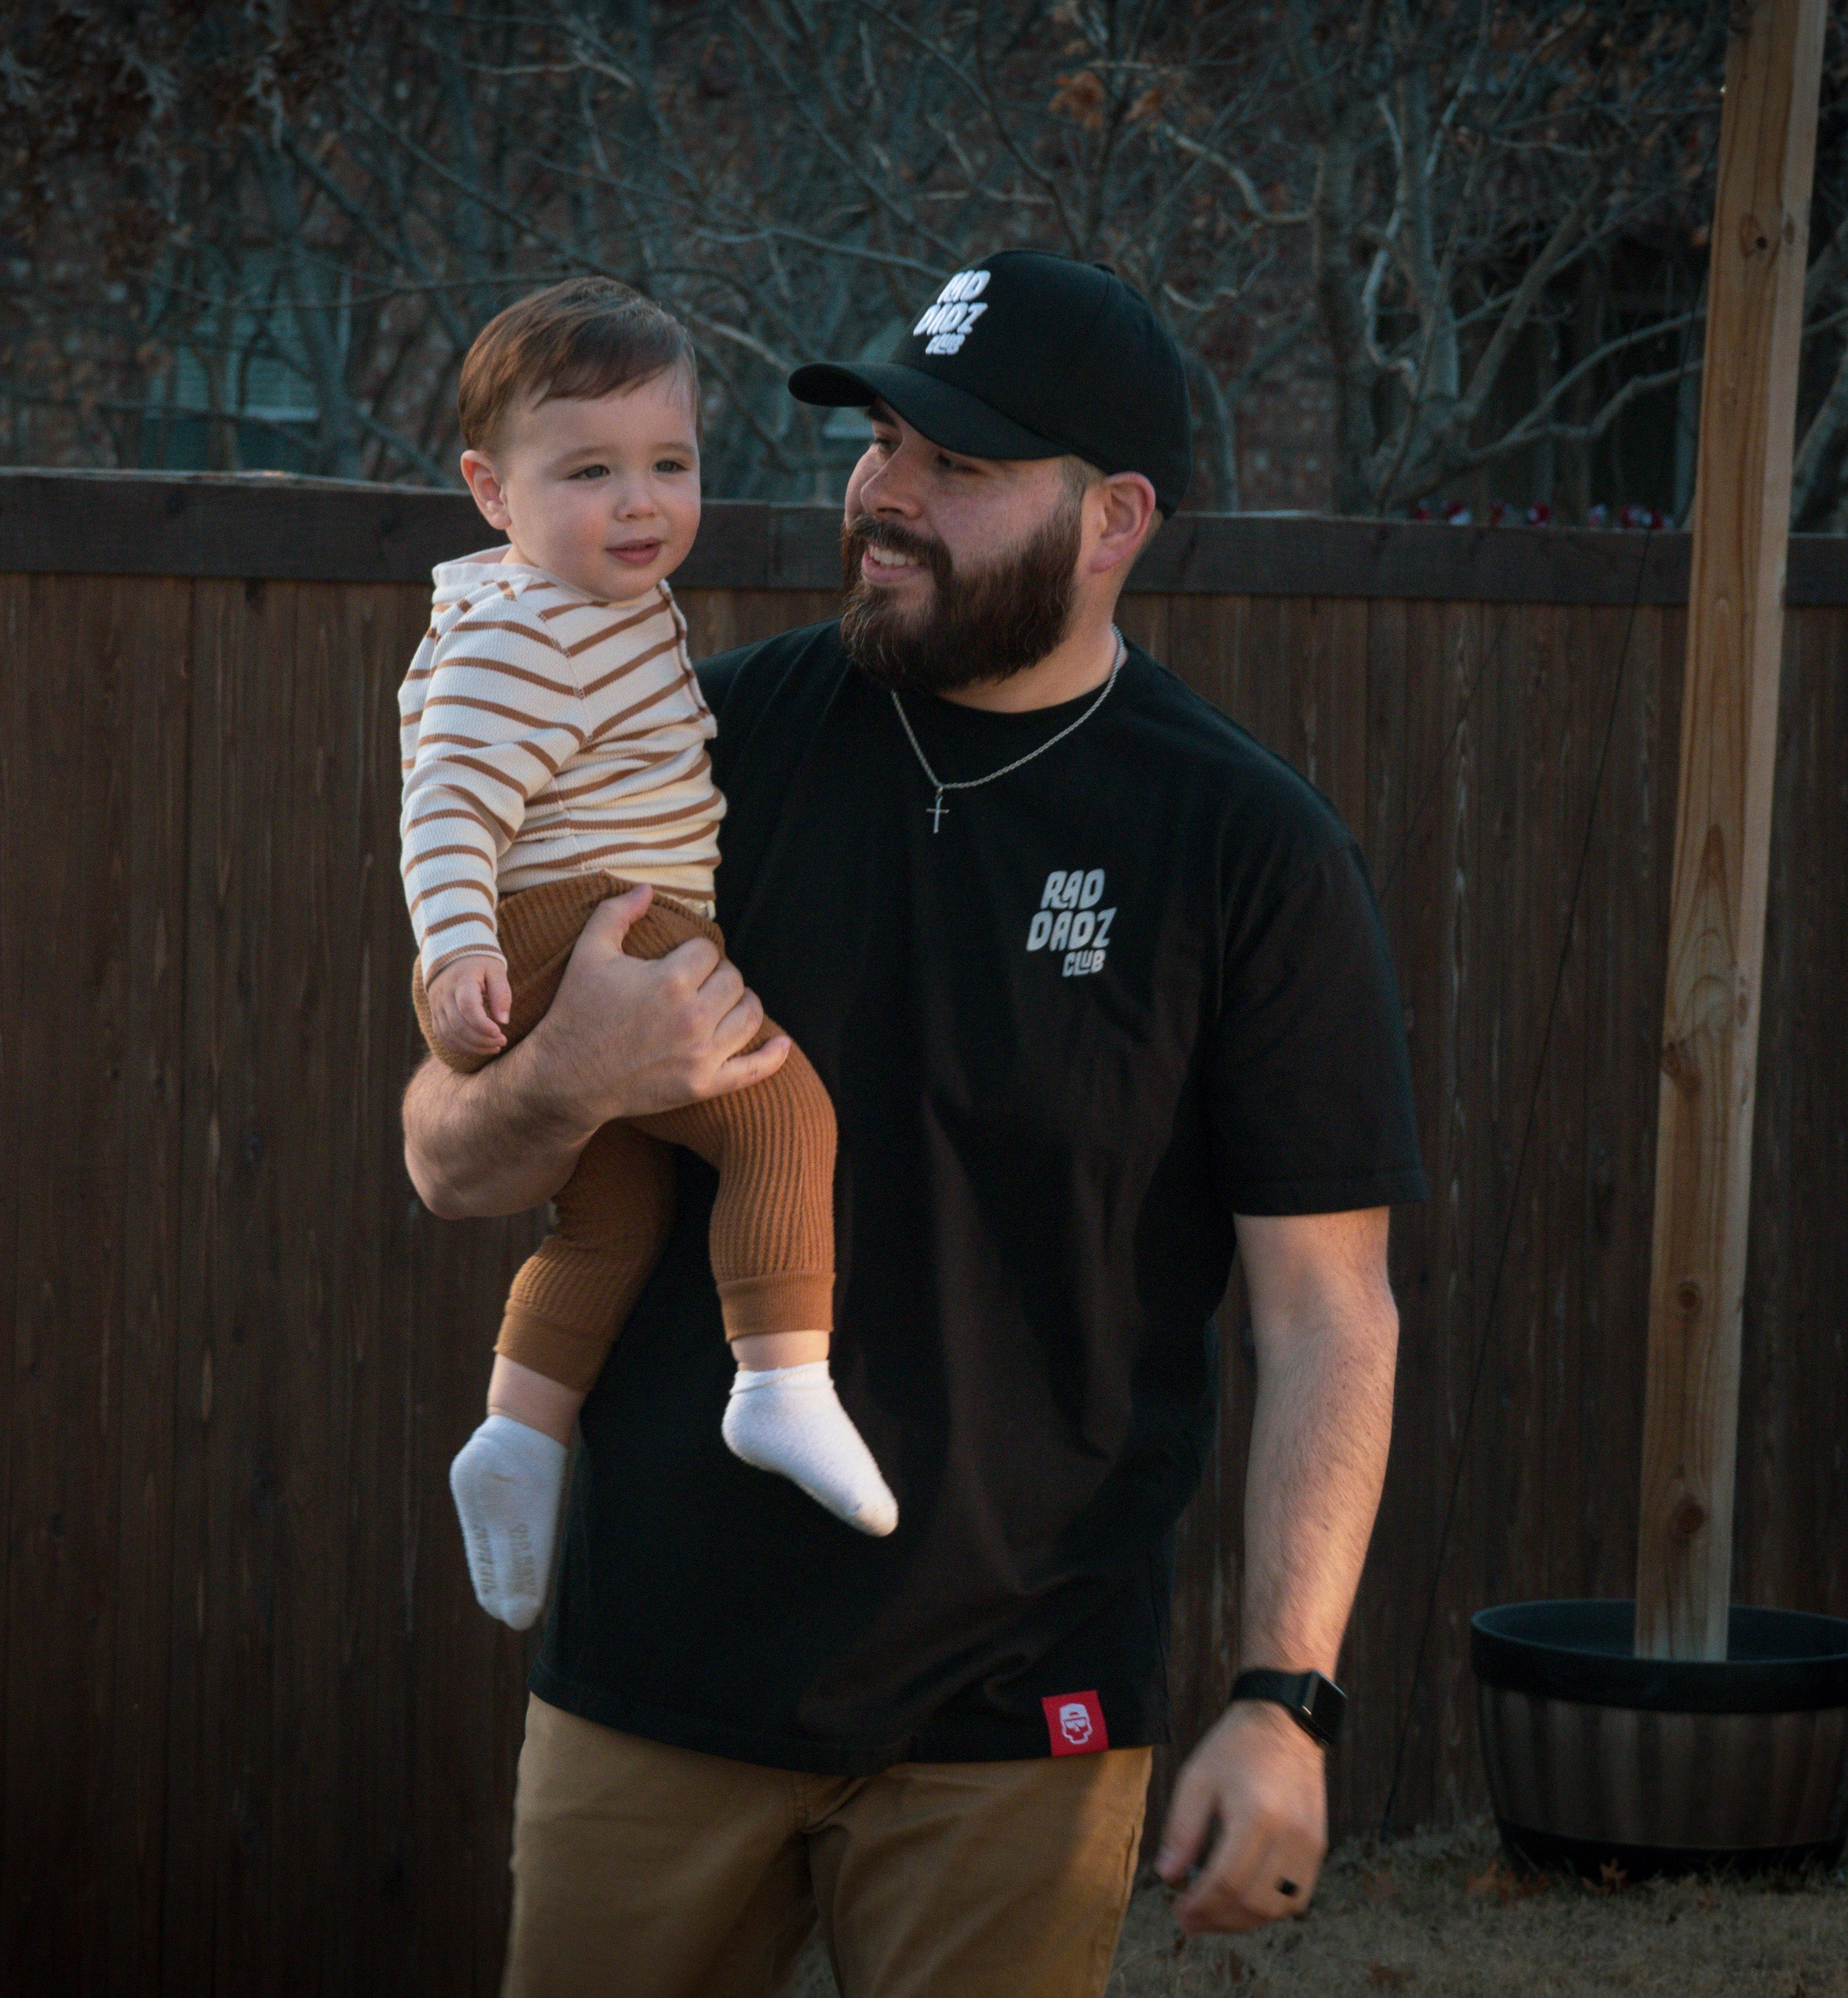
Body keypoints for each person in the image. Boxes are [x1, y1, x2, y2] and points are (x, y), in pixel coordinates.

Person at [401, 250, 1422, 1997]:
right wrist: (576, 1070)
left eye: (956, 462)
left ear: (1110, 521)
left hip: (1017, 1708)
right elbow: (443, 1152)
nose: (884, 492)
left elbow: (1326, 1312)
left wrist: (1282, 1697)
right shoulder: (701, 744)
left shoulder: (1242, 850)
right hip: (656, 1677)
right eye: (881, 439)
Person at [404, 278, 902, 1634]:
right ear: (490, 491)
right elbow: (448, 800)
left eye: (667, 465)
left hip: (575, 918)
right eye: (589, 472)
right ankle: (780, 1383)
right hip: (591, 919)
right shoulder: (529, 628)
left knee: (611, 1216)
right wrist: (455, 949)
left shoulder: (587, 606)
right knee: (782, 1120)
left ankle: (518, 1433)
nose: (639, 503)